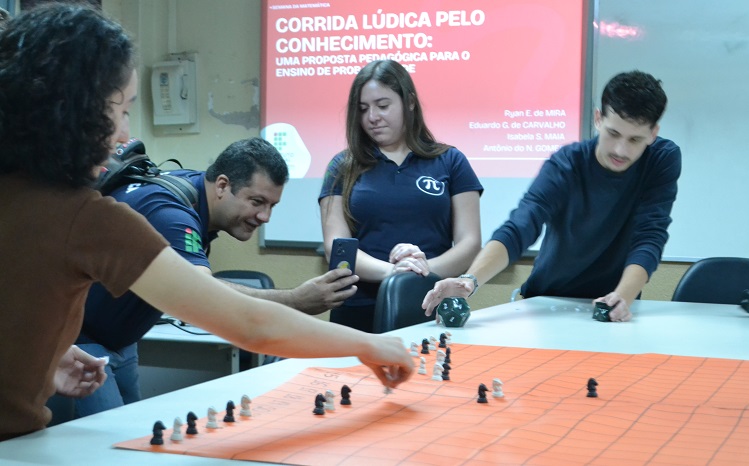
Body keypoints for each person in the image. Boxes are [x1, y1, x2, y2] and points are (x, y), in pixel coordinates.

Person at [0, 3, 412, 441]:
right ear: (78, 113)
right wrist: (368, 344)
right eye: (121, 110)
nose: (125, 134)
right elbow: (247, 323)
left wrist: (46, 352)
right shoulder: (88, 217)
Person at [74, 137, 360, 418]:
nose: (265, 216)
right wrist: (297, 300)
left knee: (124, 435)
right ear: (222, 185)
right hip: (80, 341)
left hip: (119, 339)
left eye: (272, 205)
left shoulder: (194, 188)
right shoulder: (171, 213)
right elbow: (202, 292)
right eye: (257, 202)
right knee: (104, 444)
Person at [423, 70, 681, 323]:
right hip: (546, 301)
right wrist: (470, 280)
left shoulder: (661, 159)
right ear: (598, 119)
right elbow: (521, 226)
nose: (620, 150)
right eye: (613, 134)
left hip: (613, 303)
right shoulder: (567, 164)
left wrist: (622, 297)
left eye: (635, 139)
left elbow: (650, 235)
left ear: (653, 133)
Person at [319, 59, 483, 333]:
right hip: (357, 310)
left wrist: (422, 272)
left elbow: (470, 242)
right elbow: (336, 248)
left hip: (433, 303)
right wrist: (393, 273)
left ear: (409, 102)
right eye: (363, 109)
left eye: (382, 106)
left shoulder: (451, 161)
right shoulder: (342, 166)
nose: (372, 117)